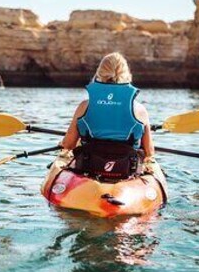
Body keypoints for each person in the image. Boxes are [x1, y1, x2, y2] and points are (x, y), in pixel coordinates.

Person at [60, 53, 162, 186]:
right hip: (126, 171)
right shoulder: (140, 110)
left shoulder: (84, 106)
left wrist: (65, 142)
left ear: (99, 73)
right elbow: (149, 152)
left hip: (89, 168)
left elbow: (68, 144)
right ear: (127, 75)